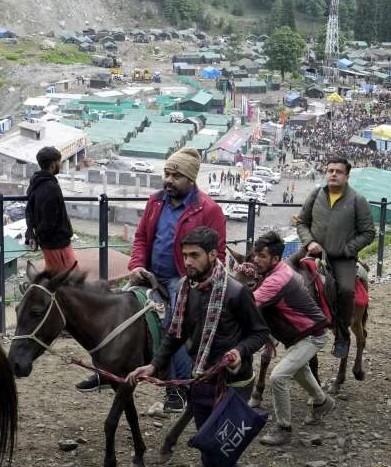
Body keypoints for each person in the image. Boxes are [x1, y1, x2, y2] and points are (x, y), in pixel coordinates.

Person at [125, 228, 269, 465]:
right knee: (208, 447)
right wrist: (152, 366)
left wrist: (239, 351)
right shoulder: (185, 288)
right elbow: (175, 334)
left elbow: (260, 332)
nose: (188, 262)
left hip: (233, 384)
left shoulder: (236, 292)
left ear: (213, 255)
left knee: (223, 450)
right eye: (185, 255)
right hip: (201, 379)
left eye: (194, 255)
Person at [112, 147, 226, 410]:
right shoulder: (156, 201)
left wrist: (194, 280)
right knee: (119, 306)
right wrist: (136, 264)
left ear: (190, 179)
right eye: (166, 174)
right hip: (150, 273)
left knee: (174, 324)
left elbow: (216, 254)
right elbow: (141, 238)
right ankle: (107, 368)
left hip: (182, 279)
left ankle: (179, 388)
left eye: (176, 176)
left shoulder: (209, 210)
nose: (169, 180)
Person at [250, 232, 336, 447]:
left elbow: (248, 306)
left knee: (278, 377)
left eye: (261, 256)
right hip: (303, 335)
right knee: (300, 370)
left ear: (275, 259)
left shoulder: (277, 280)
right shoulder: (280, 270)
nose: (255, 260)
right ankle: (322, 402)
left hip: (311, 335)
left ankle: (284, 429)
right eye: (255, 255)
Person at [296, 156, 376, 359]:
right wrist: (309, 242)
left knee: (346, 290)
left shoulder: (358, 200)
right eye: (330, 170)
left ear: (347, 176)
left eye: (338, 171)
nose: (333, 174)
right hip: (312, 251)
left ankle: (341, 335)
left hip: (342, 258)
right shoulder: (315, 195)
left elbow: (368, 233)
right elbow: (302, 223)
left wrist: (347, 249)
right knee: (284, 274)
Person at [25, 146, 77, 273]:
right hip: (57, 243)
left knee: (57, 276)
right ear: (53, 164)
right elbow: (50, 220)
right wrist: (38, 237)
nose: (60, 164)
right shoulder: (51, 187)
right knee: (69, 278)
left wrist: (33, 235)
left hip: (49, 243)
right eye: (59, 161)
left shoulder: (35, 183)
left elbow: (29, 212)